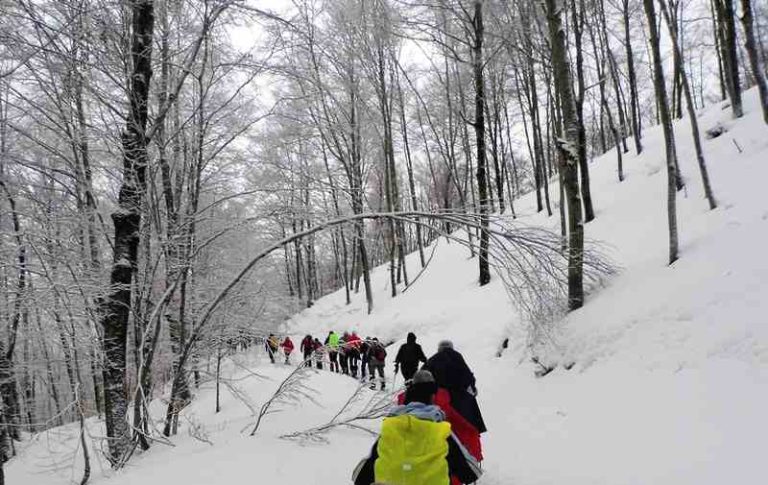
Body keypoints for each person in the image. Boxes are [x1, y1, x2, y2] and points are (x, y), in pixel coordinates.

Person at [352, 370, 482, 485]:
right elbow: (470, 473)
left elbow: (360, 477)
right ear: (432, 398)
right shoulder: (441, 432)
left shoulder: (389, 429)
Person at [424, 340, 487, 435]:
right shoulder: (456, 356)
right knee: (466, 427)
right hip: (460, 397)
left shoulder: (433, 359)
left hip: (440, 399)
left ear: (439, 348)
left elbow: (422, 376)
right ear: (451, 347)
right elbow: (467, 375)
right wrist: (472, 388)